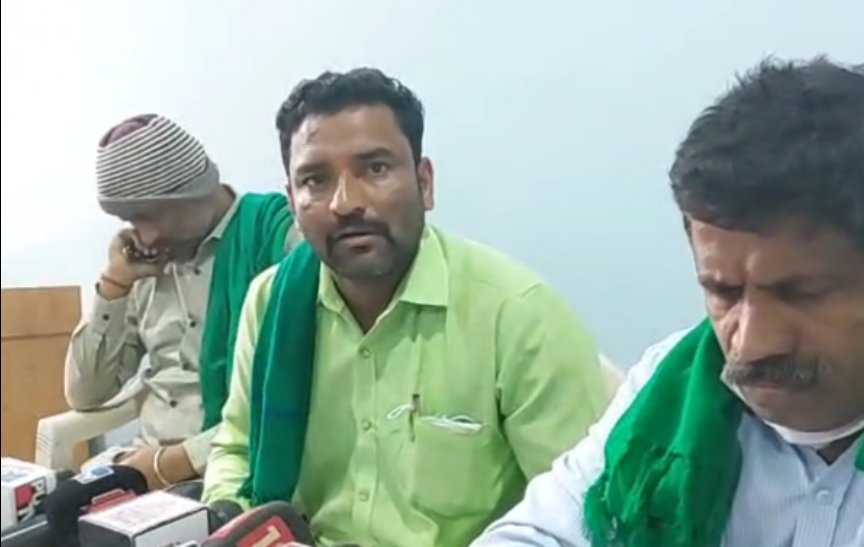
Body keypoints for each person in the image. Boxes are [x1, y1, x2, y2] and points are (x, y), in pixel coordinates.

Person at [474, 58, 864, 547]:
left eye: (804, 294)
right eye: (723, 291)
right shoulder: (671, 385)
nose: (752, 343)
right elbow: (536, 534)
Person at [200, 68, 614, 546]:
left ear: (424, 183)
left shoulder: (517, 316)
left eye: (375, 169)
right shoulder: (272, 302)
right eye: (316, 180)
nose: (345, 202)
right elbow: (237, 447)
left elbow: (584, 516)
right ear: (292, 201)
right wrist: (233, 521)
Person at [65, 114, 298, 490]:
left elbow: (298, 393)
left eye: (149, 216)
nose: (144, 236)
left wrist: (170, 464)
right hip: (144, 465)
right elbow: (86, 395)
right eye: (130, 221)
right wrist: (114, 284)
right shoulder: (144, 265)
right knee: (47, 512)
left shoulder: (277, 240)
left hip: (228, 467)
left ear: (197, 192)